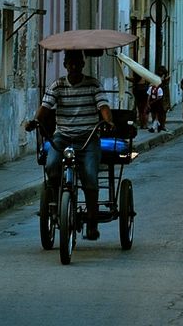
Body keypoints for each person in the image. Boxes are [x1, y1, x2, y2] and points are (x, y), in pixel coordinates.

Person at [25, 49, 112, 240]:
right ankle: (56, 203)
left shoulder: (93, 85)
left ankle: (92, 221)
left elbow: (103, 106)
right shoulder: (57, 86)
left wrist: (108, 120)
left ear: (82, 65)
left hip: (88, 137)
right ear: (65, 65)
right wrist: (34, 122)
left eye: (76, 63)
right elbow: (45, 108)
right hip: (62, 137)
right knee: (51, 166)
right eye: (69, 63)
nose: (73, 67)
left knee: (89, 175)